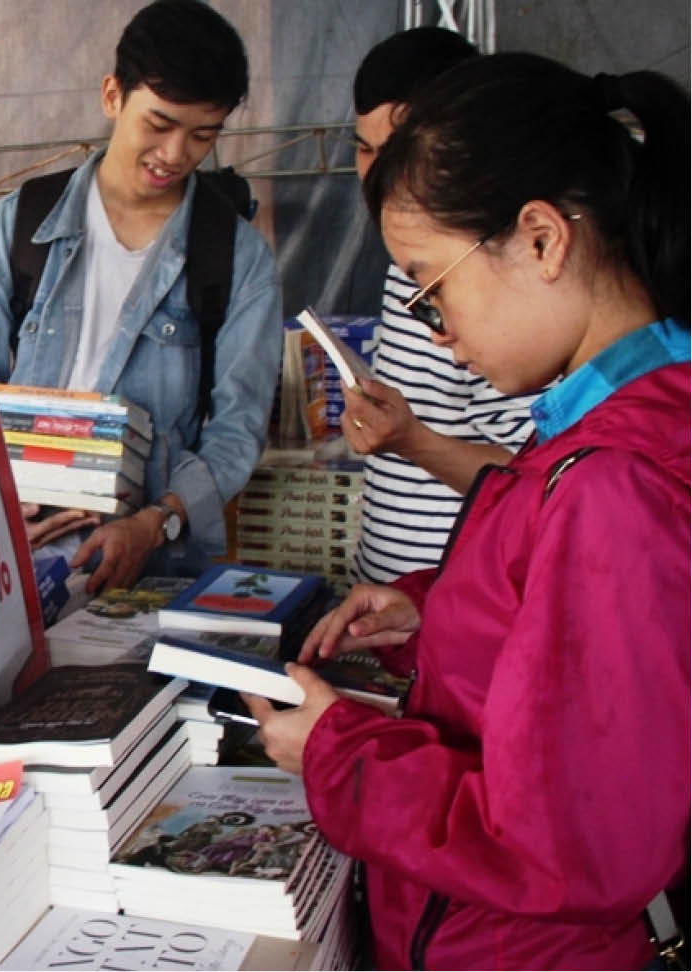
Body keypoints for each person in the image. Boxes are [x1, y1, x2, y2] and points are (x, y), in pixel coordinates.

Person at [245, 54, 689, 969]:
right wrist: (437, 612)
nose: (437, 329)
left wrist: (339, 752)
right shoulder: (613, 419)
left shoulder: (616, 478)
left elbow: (572, 842)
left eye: (431, 284)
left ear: (540, 239)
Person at [0, 0, 281, 594]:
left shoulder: (234, 256)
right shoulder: (21, 225)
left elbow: (237, 428)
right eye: (159, 124)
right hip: (12, 553)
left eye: (203, 135)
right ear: (112, 96)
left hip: (147, 566)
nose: (175, 154)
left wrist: (159, 521)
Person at [341, 27, 539, 582]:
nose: (378, 177)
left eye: (399, 151)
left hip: (462, 607)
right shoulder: (399, 263)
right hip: (397, 603)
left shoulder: (506, 288)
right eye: (364, 148)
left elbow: (531, 478)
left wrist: (414, 441)